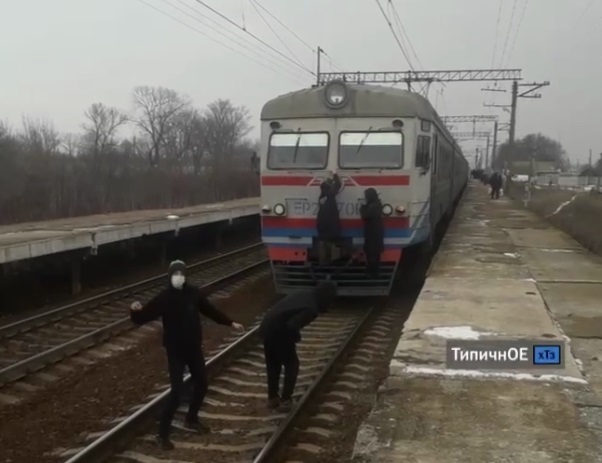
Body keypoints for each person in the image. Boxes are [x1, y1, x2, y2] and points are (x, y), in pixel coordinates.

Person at [130, 260, 245, 450]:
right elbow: (143, 317)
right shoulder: (164, 298)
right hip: (175, 351)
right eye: (175, 274)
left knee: (202, 384)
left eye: (181, 274)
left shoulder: (193, 293)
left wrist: (230, 323)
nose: (179, 277)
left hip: (194, 348)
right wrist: (134, 311)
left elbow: (210, 311)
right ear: (169, 276)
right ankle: (162, 434)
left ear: (185, 276)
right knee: (177, 393)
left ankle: (191, 419)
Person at [258, 281, 337, 412]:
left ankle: (272, 399)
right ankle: (286, 400)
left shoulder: (304, 293)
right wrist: (296, 338)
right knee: (292, 364)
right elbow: (292, 326)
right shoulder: (312, 308)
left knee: (273, 364)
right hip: (279, 331)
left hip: (266, 326)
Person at [316, 171, 342, 265]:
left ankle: (323, 263)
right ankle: (331, 263)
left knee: (323, 242)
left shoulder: (321, 197)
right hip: (331, 225)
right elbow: (338, 185)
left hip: (322, 224)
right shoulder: (330, 195)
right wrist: (335, 174)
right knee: (332, 243)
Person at [359, 188, 384, 278]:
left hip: (372, 234)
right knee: (375, 254)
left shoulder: (372, 207)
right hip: (375, 233)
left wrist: (362, 206)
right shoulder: (377, 205)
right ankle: (374, 272)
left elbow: (365, 215)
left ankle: (372, 273)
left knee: (371, 254)